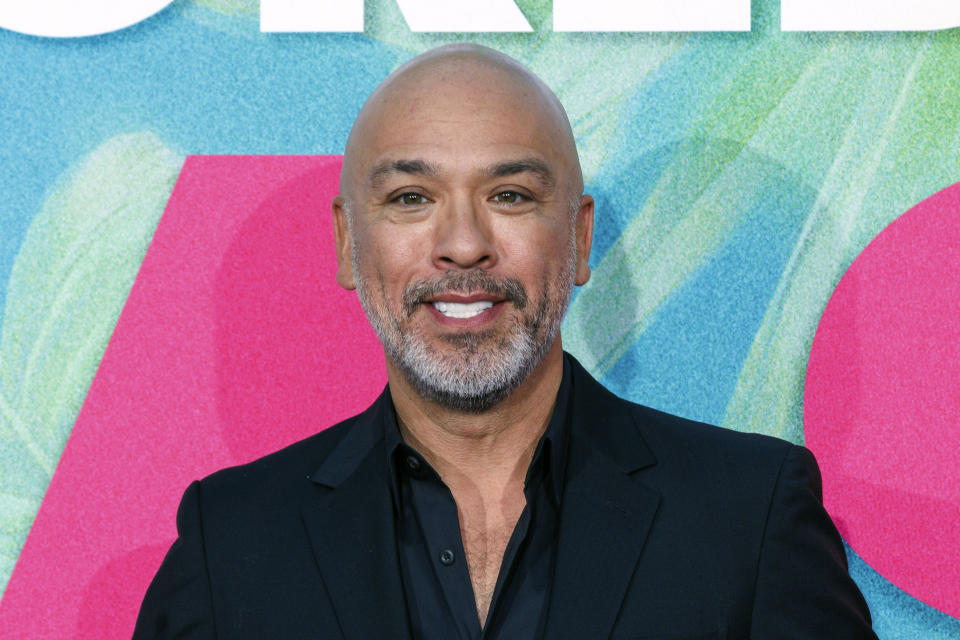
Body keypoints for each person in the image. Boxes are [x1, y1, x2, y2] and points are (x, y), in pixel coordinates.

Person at [134, 44, 877, 639]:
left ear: (580, 238)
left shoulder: (748, 516)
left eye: (510, 196)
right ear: (345, 243)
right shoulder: (229, 540)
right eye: (411, 199)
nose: (463, 246)